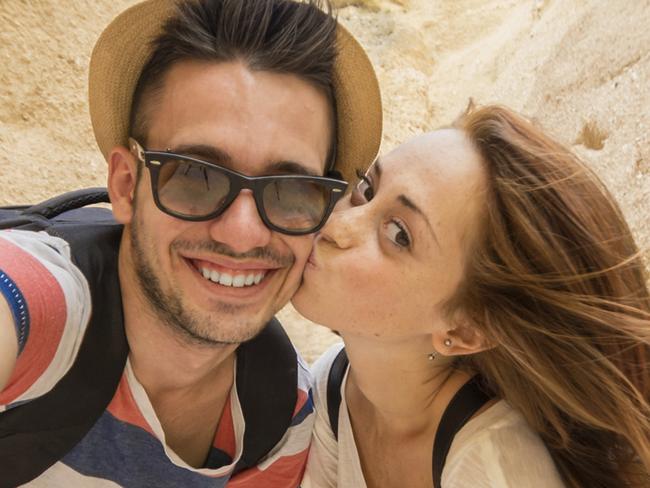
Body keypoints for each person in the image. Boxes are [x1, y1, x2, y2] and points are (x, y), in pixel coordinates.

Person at [0, 0, 382, 485]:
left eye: (291, 189)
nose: (242, 233)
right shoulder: (36, 304)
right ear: (124, 185)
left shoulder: (282, 417)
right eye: (196, 175)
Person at [294, 104, 650, 488]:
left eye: (399, 234)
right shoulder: (334, 386)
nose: (336, 223)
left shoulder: (496, 469)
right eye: (367, 190)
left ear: (464, 331)